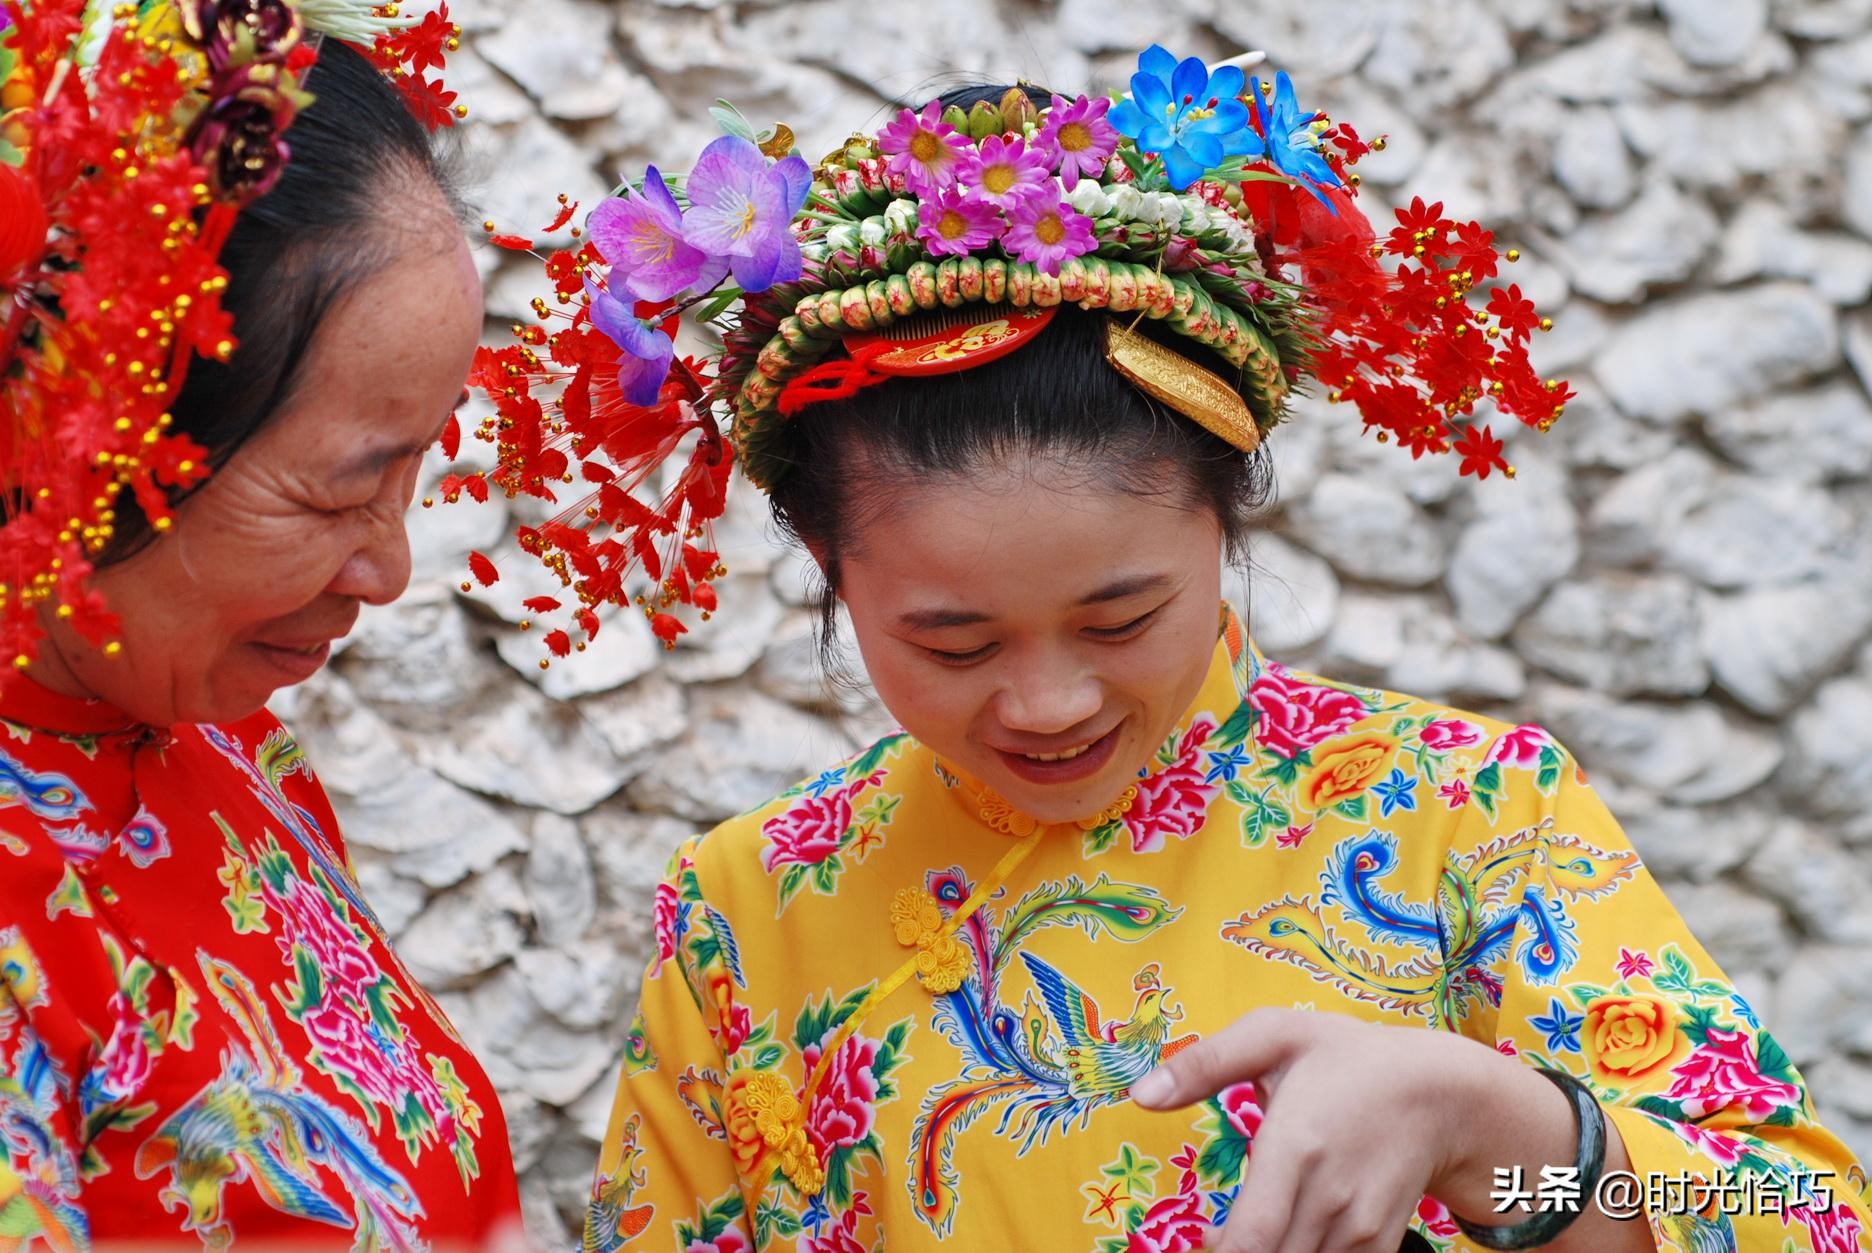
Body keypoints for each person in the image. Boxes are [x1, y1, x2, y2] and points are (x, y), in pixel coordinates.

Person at [467, 45, 1867, 1253]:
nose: (1050, 699)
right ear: (832, 574)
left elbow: (1797, 1216)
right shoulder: (750, 910)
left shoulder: (1464, 812)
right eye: (951, 640)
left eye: (1119, 618)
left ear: (1227, 522)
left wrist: (1494, 1129)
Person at [0, 2, 525, 1247]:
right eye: (343, 488)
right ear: (77, 429)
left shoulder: (227, 751)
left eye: (411, 480)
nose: (390, 568)